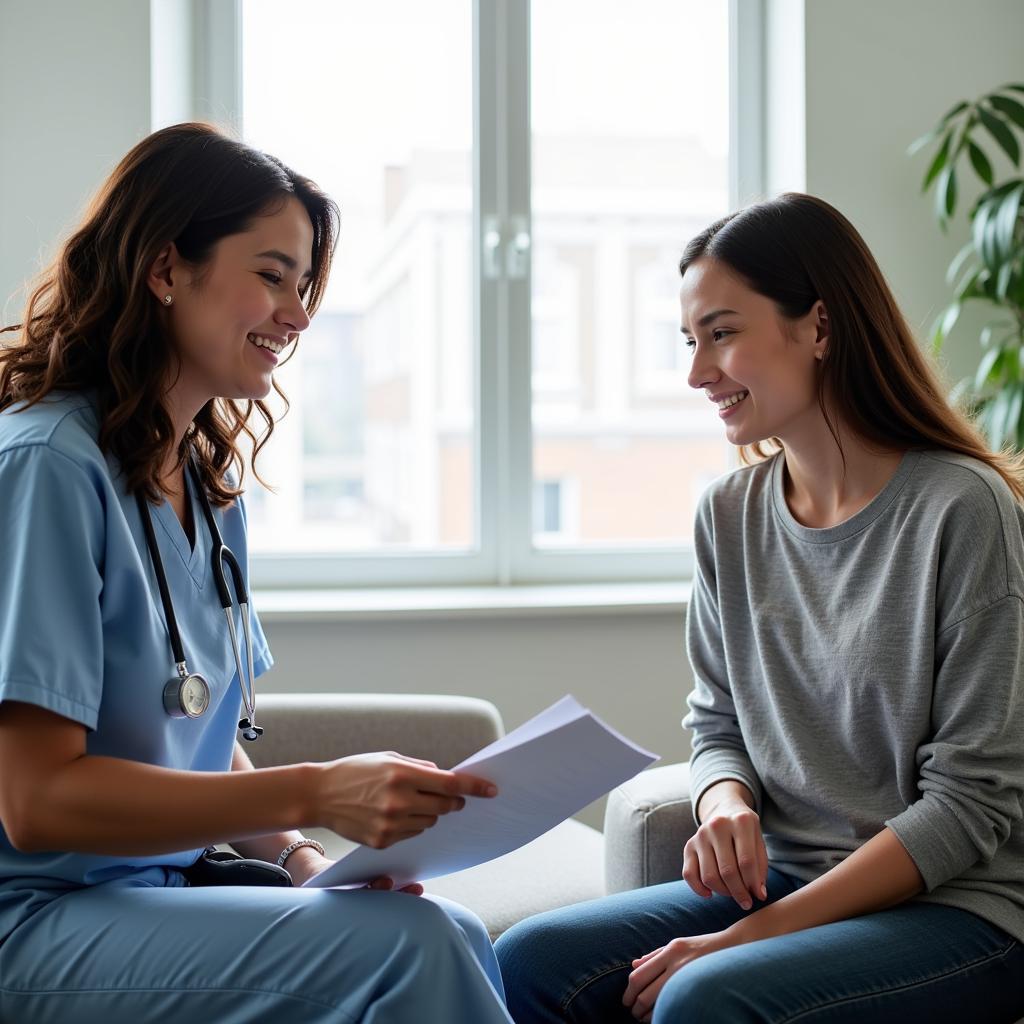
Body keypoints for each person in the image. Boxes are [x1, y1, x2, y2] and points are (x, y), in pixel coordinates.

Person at [0, 122, 514, 1024]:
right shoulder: (45, 465)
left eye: (305, 284)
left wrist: (300, 859)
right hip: (36, 918)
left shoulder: (206, 486)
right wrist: (317, 793)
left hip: (162, 890)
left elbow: (197, 731)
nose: (300, 313)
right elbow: (35, 803)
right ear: (165, 269)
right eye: (272, 274)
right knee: (415, 954)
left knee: (453, 932)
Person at [495, 193, 1024, 1023]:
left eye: (723, 332)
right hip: (790, 882)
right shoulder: (729, 516)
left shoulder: (963, 508)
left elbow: (970, 806)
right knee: (528, 961)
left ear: (817, 326)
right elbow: (716, 725)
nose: (698, 372)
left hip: (956, 908)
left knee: (705, 997)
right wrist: (726, 803)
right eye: (691, 340)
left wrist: (745, 940)